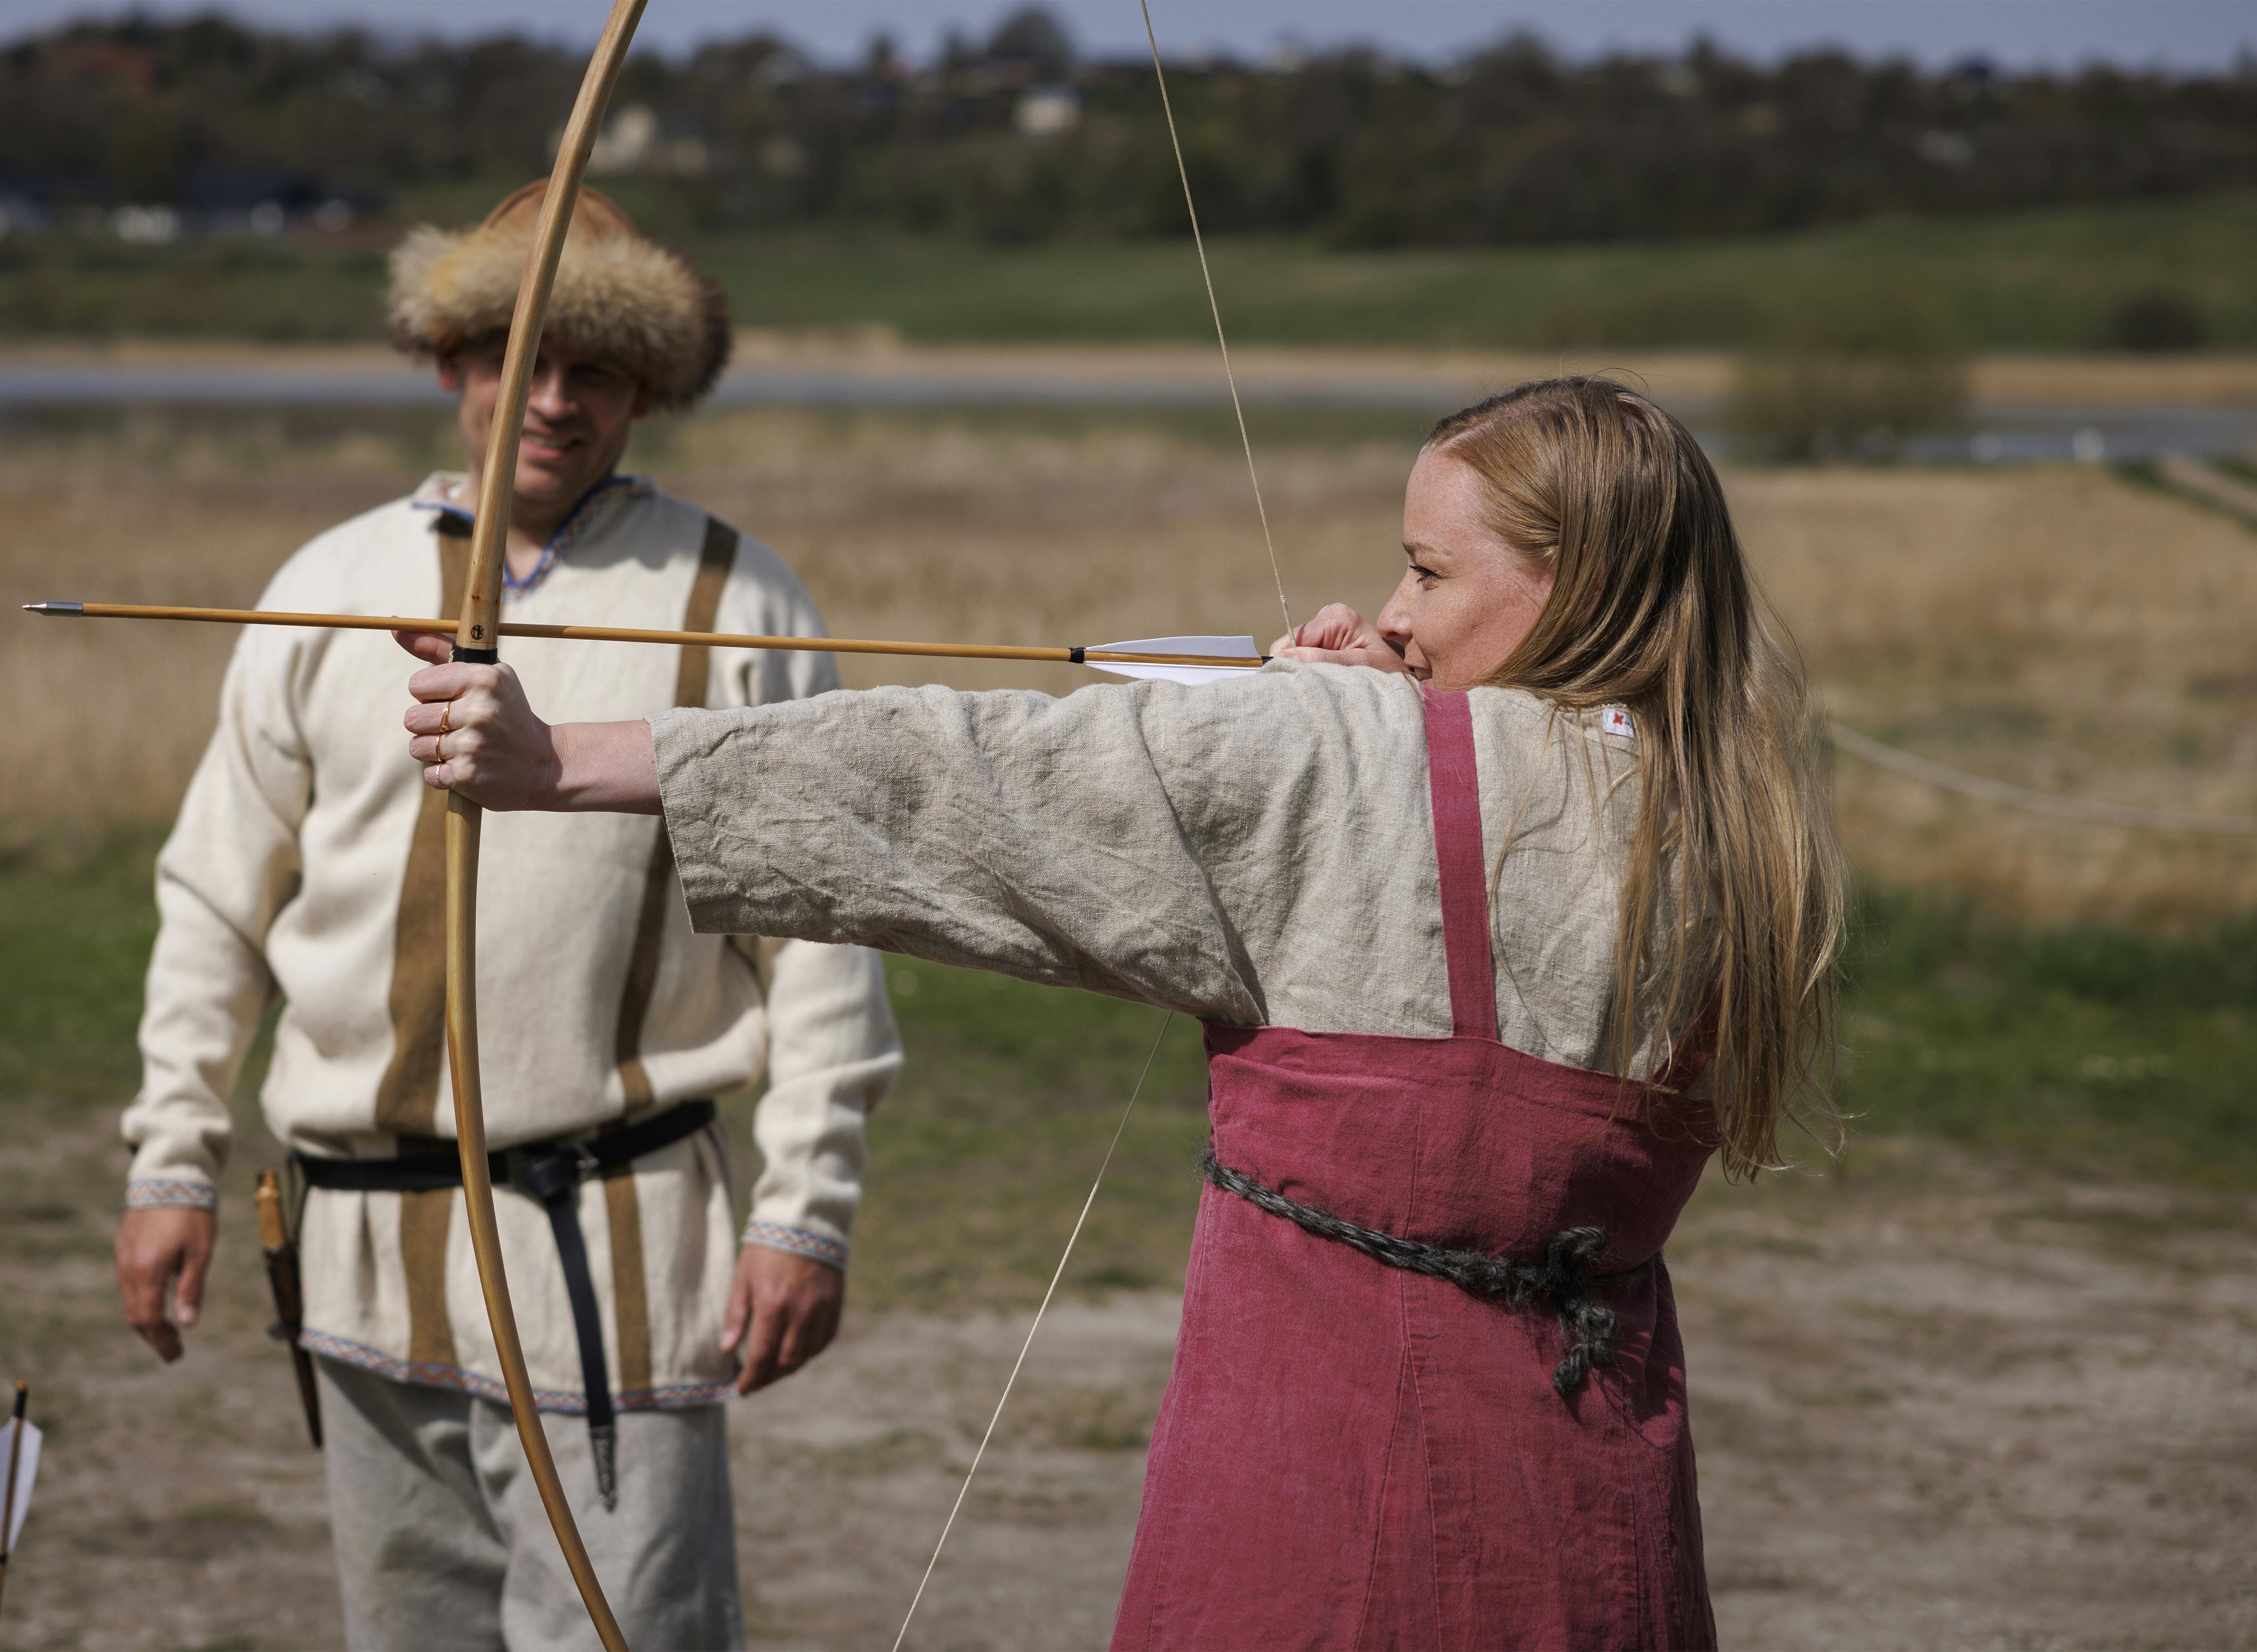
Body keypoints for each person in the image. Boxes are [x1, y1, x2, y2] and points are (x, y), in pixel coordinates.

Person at [398, 377, 1844, 1650]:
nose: (1395, 617)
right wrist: (1341, 732)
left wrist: (558, 759)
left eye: (1425, 574)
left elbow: (974, 774)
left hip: (1322, 1444)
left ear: (1573, 580)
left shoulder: (1347, 745)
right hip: (1597, 1456)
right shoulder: (1729, 802)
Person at [113, 182, 900, 1652]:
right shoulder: (328, 586)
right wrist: (172, 1160)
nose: (550, 400)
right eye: (515, 357)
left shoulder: (734, 601)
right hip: (355, 1241)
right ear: (450, 367)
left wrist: (804, 1209)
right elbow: (216, 895)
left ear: (645, 389)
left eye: (592, 367)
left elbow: (823, 927)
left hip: (606, 1242)